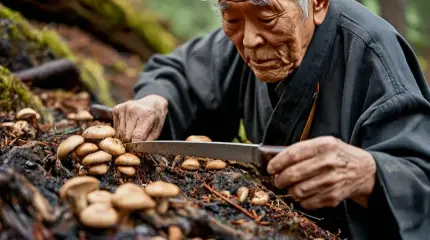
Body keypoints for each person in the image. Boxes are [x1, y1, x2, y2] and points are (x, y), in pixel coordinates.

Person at [112, 0, 430, 238]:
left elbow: (420, 177)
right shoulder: (247, 24)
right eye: (231, 18)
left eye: (267, 17)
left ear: (317, 4)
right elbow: (179, 72)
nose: (249, 40)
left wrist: (367, 174)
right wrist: (156, 100)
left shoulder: (371, 51)